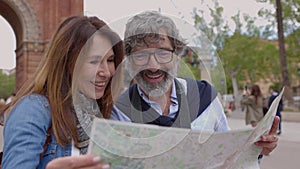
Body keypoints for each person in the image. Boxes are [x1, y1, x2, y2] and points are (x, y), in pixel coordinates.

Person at [111, 10, 279, 157]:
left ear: (177, 55)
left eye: (162, 53)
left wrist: (258, 150)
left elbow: (228, 155)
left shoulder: (205, 98)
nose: (153, 66)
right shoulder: (119, 111)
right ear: (130, 62)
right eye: (141, 56)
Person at [0, 15, 123, 169]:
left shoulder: (113, 115)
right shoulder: (33, 110)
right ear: (66, 61)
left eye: (110, 60)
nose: (106, 71)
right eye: (94, 61)